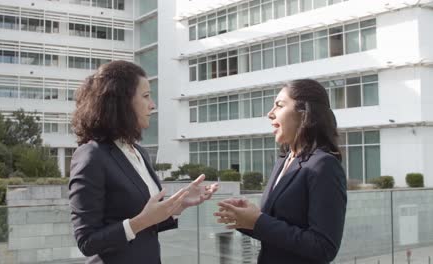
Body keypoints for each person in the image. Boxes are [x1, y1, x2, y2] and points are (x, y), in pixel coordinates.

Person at [69, 60, 218, 264]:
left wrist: (178, 205)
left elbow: (147, 223)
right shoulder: (91, 156)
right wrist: (140, 222)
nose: (153, 105)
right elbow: (87, 241)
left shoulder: (138, 152)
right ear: (122, 102)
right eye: (146, 96)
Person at [214, 79, 347, 264]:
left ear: (304, 113)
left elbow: (323, 247)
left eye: (279, 106)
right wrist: (245, 218)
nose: (270, 114)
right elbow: (275, 230)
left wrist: (258, 221)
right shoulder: (284, 161)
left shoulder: (323, 165)